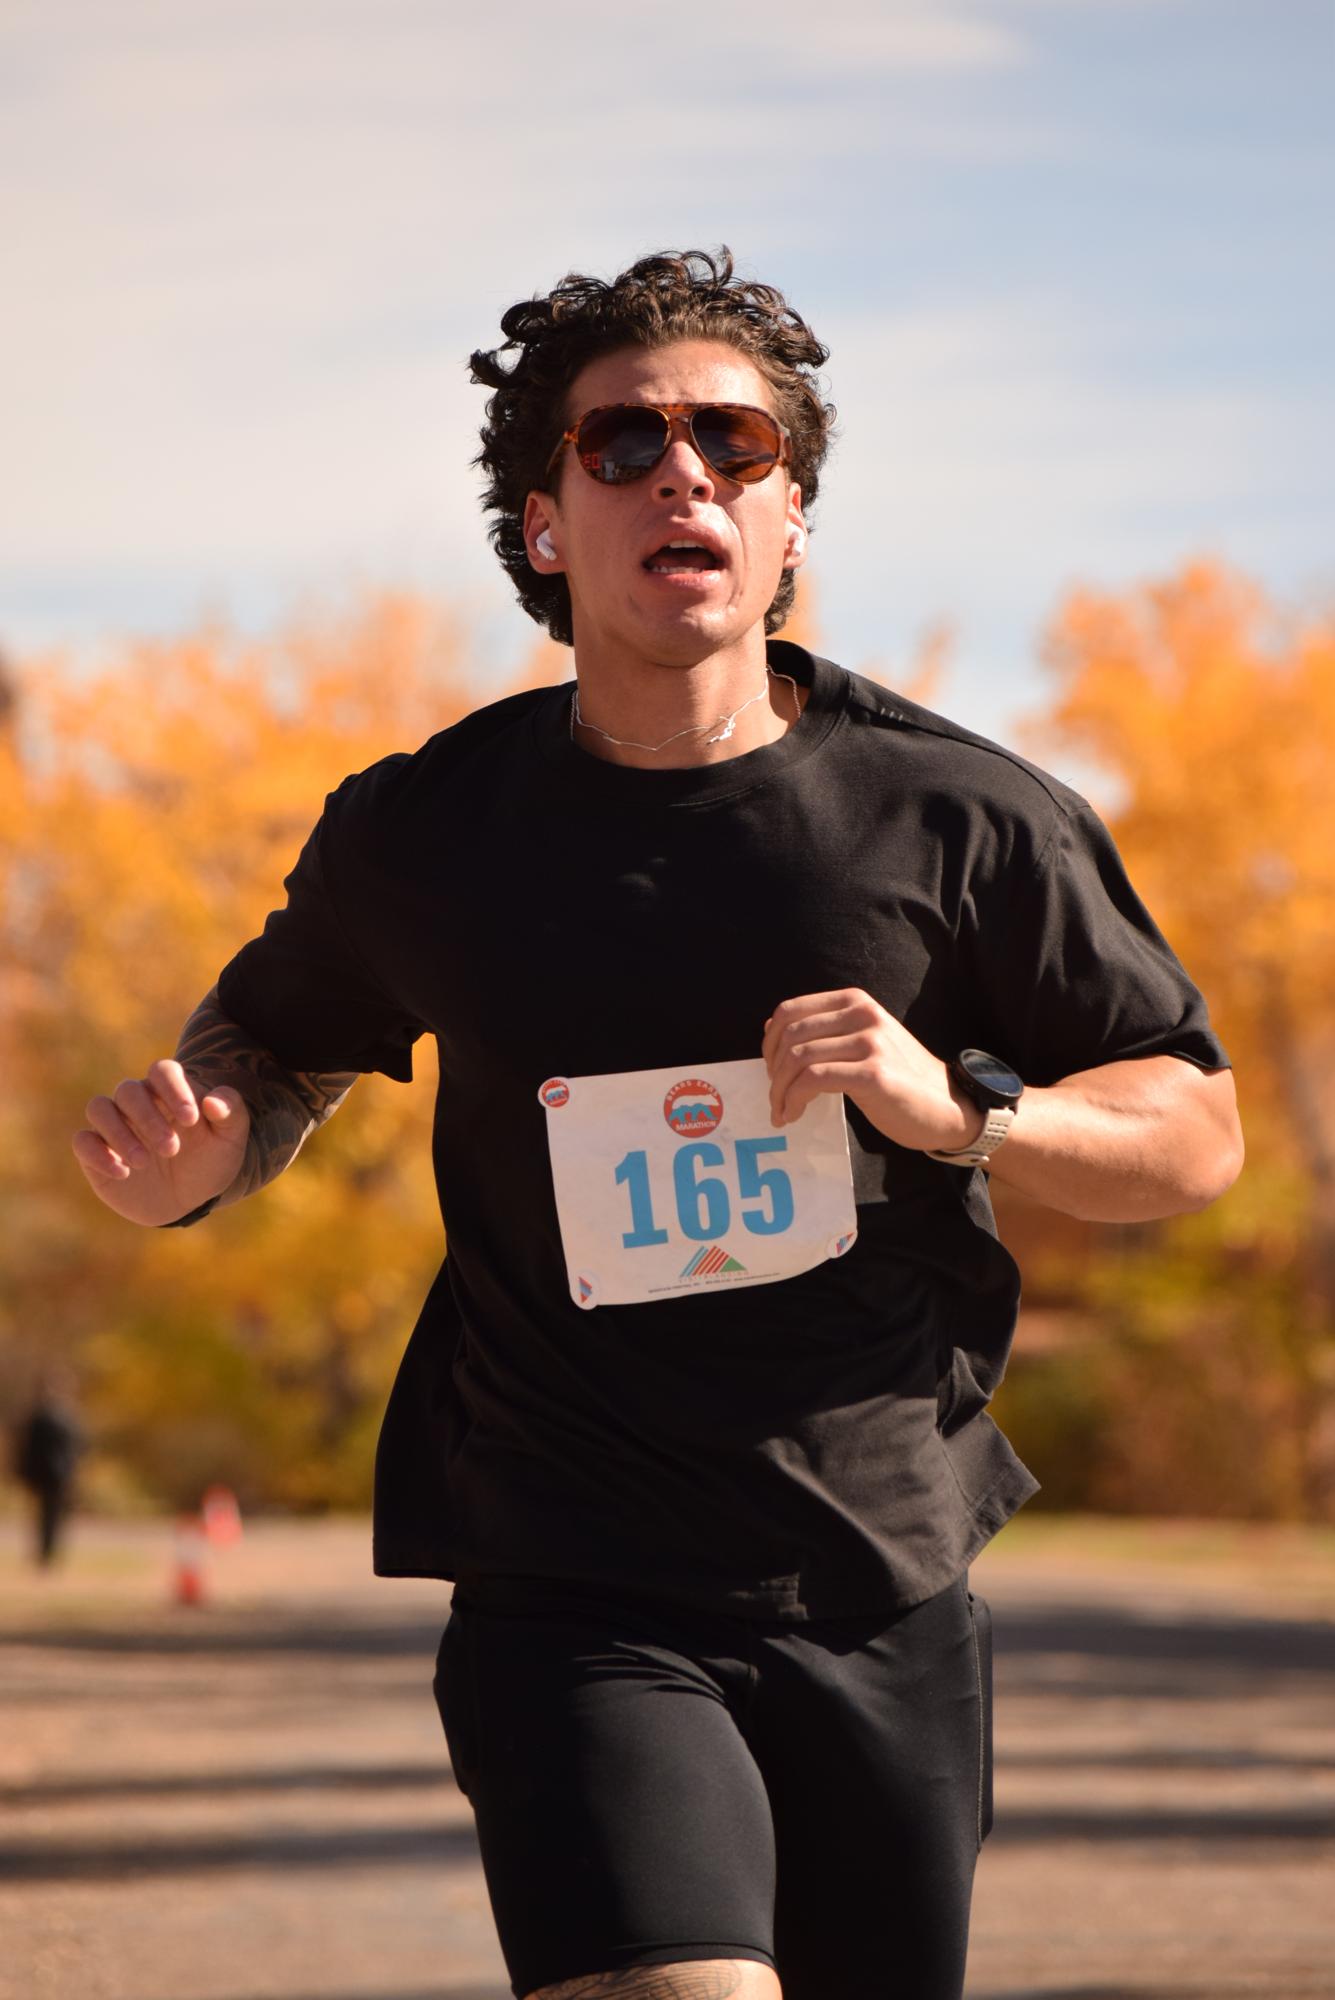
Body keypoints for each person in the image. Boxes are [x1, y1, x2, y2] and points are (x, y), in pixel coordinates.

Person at [72, 248, 1243, 2000]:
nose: (681, 472)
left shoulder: (963, 818)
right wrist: (204, 1152)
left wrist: (957, 1112)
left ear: (788, 520)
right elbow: (272, 1047)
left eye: (733, 444)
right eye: (623, 444)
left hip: (877, 1567)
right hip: (569, 1577)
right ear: (544, 527)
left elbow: (1192, 1128)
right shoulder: (430, 831)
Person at [13, 1373, 85, 1566]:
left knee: (52, 1513)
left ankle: (48, 1551)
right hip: (49, 1473)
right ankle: (45, 1551)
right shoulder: (49, 1417)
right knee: (47, 1513)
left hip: (57, 1473)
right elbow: (29, 1447)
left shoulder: (64, 1417)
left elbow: (77, 1445)